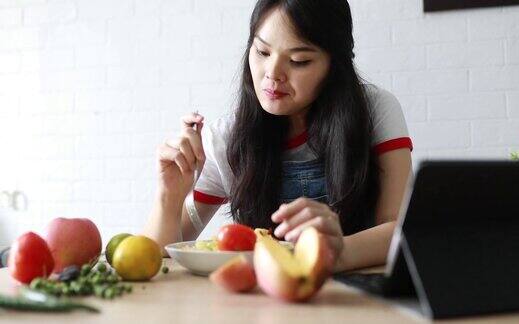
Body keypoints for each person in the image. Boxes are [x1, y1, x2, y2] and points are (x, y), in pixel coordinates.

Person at [143, 0, 413, 273]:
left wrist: (337, 252)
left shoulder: (375, 111)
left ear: (335, 66)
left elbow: (401, 230)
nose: (272, 74)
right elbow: (157, 260)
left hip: (358, 301)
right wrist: (169, 196)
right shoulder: (227, 138)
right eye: (262, 52)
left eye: (298, 61)